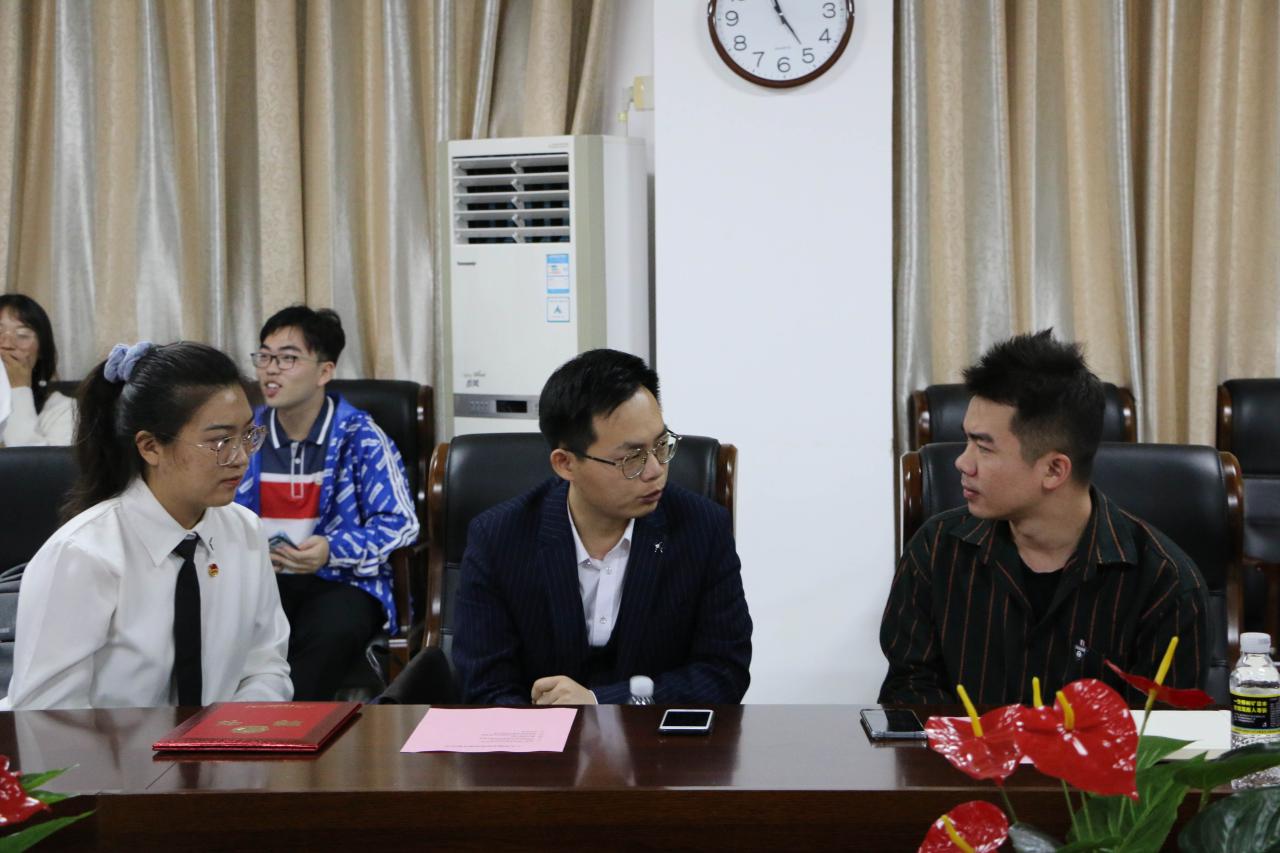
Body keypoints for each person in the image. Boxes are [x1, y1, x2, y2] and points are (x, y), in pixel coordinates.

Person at [879, 330, 1209, 705]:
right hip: (962, 749)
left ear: (1054, 470)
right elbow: (909, 696)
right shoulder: (937, 550)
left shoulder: (1165, 586)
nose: (962, 462)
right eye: (966, 440)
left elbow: (1161, 731)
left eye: (984, 447)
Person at [453, 348, 753, 705]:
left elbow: (724, 671)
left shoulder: (702, 529)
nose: (655, 470)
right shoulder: (499, 538)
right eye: (631, 458)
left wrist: (601, 701)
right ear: (565, 464)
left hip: (653, 737)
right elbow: (485, 686)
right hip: (542, 738)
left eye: (662, 446)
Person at [2, 341, 291, 710]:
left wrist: (229, 735)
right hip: (103, 749)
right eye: (220, 440)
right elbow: (48, 717)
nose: (240, 458)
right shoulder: (83, 555)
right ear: (150, 447)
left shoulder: (245, 531)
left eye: (247, 435)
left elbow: (265, 667)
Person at [235, 306, 418, 701]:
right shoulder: (246, 436)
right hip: (259, 579)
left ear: (324, 371)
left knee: (331, 630)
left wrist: (332, 550)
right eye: (264, 357)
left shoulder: (361, 436)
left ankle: (286, 726)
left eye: (287, 358)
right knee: (223, 624)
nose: (271, 370)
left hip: (341, 580)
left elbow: (400, 523)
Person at [0, 294, 75, 447]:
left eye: (22, 335)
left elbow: (27, 461)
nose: (7, 344)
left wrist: (19, 389)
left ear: (41, 351)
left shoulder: (64, 410)